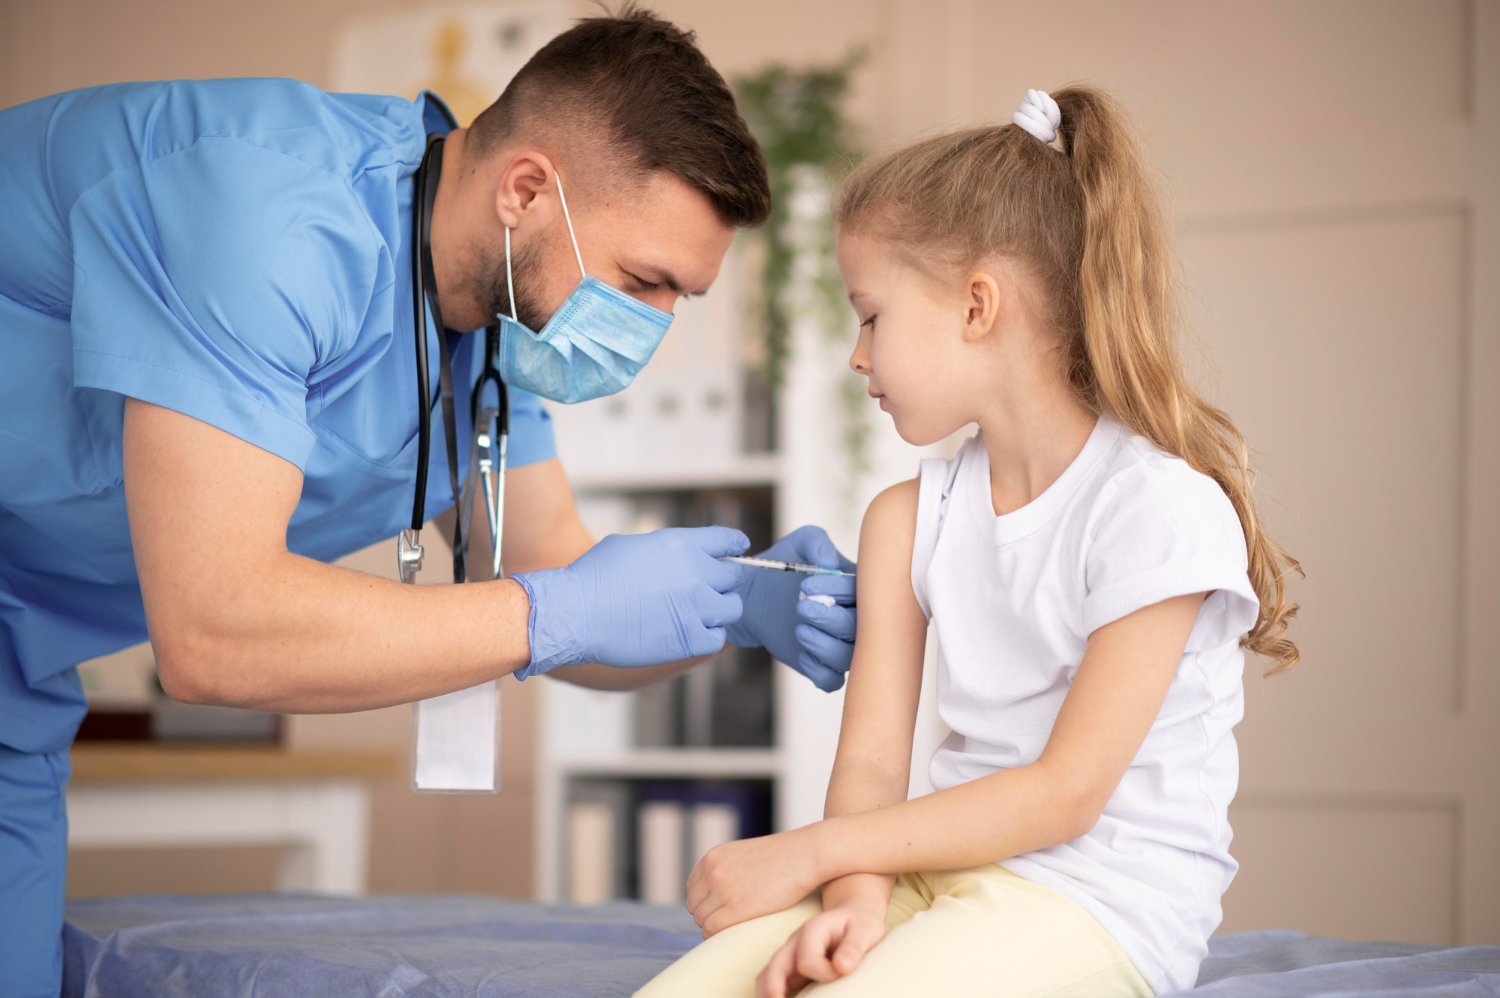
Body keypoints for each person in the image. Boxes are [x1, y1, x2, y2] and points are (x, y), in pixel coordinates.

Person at [0, 8, 858, 995]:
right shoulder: (266, 216)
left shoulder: (495, 332)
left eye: (681, 300)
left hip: (20, 681)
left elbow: (553, 568)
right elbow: (212, 630)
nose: (655, 326)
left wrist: (739, 603)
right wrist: (562, 611)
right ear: (527, 188)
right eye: (643, 281)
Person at [637, 85, 1302, 998]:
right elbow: (871, 761)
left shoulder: (1157, 510)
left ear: (978, 306)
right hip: (926, 874)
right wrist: (854, 898)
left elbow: (1065, 793)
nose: (857, 356)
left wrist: (809, 854)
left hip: (1096, 901)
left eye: (870, 315)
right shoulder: (907, 519)